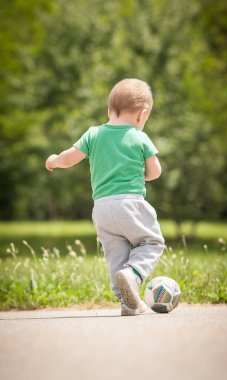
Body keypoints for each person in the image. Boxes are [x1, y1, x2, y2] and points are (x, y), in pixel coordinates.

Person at [45, 78, 165, 316]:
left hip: (101, 209)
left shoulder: (94, 134)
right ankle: (133, 275)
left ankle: (127, 303)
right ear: (142, 115)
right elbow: (155, 172)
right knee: (152, 242)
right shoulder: (139, 137)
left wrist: (54, 160)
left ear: (109, 110)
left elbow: (68, 159)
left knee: (116, 256)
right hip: (130, 204)